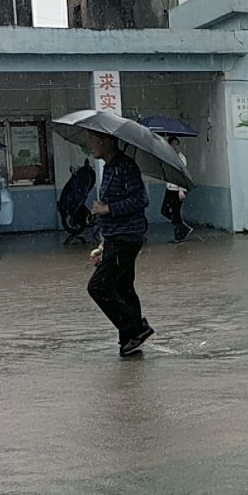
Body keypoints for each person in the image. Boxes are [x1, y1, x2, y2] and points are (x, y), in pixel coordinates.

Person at [85, 131, 153, 357]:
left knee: (98, 286)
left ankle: (135, 327)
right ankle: (130, 341)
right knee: (124, 287)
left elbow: (140, 200)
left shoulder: (126, 166)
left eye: (93, 140)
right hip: (114, 237)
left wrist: (108, 209)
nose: (90, 145)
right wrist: (103, 244)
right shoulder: (109, 167)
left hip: (127, 237)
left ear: (106, 142)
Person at [161, 136, 193, 243]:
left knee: (175, 212)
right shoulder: (167, 157)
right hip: (170, 188)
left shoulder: (181, 158)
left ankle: (179, 236)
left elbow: (182, 175)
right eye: (173, 144)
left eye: (177, 144)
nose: (175, 147)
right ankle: (183, 228)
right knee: (164, 210)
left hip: (178, 189)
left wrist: (181, 190)